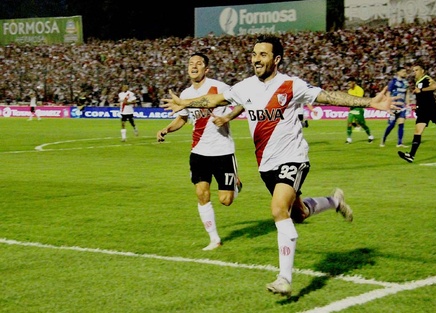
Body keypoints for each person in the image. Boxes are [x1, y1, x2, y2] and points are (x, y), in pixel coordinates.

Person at [161, 35, 394, 297]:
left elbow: (328, 96)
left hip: (293, 157)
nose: (256, 59)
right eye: (253, 54)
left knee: (277, 209)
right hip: (266, 164)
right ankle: (334, 201)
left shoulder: (291, 85)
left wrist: (369, 102)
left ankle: (284, 277)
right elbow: (215, 100)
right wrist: (185, 103)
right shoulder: (245, 87)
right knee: (299, 214)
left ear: (276, 59)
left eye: (262, 54)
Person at [156, 53, 243, 251]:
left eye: (199, 64)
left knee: (226, 200)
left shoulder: (219, 87)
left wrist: (228, 117)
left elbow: (241, 102)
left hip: (222, 150)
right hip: (199, 151)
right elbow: (182, 119)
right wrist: (167, 129)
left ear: (206, 69)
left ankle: (236, 185)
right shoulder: (185, 94)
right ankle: (214, 239)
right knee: (201, 194)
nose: (194, 66)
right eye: (191, 64)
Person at [380, 67, 411, 147]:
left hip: (402, 107)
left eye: (405, 71)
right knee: (391, 125)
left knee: (401, 124)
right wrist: (389, 105)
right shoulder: (393, 82)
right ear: (398, 72)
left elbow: (407, 94)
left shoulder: (406, 83)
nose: (405, 73)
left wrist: (408, 104)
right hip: (393, 106)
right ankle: (383, 139)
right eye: (403, 71)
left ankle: (400, 143)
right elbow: (388, 94)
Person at [345, 77, 374, 144]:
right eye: (348, 83)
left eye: (349, 83)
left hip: (358, 108)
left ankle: (370, 136)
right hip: (352, 109)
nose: (348, 85)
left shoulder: (360, 90)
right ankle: (349, 139)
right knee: (349, 123)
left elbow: (358, 100)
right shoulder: (349, 91)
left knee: (362, 124)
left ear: (353, 82)